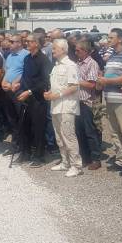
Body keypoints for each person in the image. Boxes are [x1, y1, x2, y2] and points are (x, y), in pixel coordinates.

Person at [97, 28, 122, 173]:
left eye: (110, 38)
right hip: (110, 98)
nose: (108, 40)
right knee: (114, 132)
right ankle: (121, 159)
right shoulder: (112, 55)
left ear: (120, 39)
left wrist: (107, 80)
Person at [45, 38, 82, 177]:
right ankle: (65, 162)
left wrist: (58, 94)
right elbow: (56, 85)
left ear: (63, 49)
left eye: (55, 48)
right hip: (55, 106)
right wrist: (50, 93)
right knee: (59, 137)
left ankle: (76, 165)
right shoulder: (56, 66)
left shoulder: (70, 65)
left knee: (68, 136)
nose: (52, 50)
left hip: (66, 107)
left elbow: (74, 86)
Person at [16, 33, 52, 167]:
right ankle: (25, 152)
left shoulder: (43, 60)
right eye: (27, 41)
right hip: (25, 97)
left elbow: (45, 82)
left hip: (37, 98)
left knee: (38, 127)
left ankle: (39, 156)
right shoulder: (27, 58)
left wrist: (29, 91)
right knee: (24, 125)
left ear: (36, 43)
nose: (27, 43)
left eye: (30, 41)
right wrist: (20, 88)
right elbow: (25, 77)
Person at [74, 39, 102, 170]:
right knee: (79, 132)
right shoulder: (78, 64)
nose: (76, 52)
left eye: (78, 50)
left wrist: (76, 81)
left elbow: (92, 84)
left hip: (87, 102)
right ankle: (85, 158)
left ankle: (96, 158)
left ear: (85, 51)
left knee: (90, 132)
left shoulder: (92, 64)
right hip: (77, 102)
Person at [1, 34, 29, 154]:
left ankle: (24, 146)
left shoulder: (25, 55)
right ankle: (15, 144)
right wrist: (3, 82)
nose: (9, 44)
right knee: (11, 119)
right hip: (8, 90)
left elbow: (25, 73)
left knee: (21, 119)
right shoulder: (10, 56)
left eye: (12, 42)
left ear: (19, 43)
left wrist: (14, 83)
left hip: (19, 90)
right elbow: (7, 71)